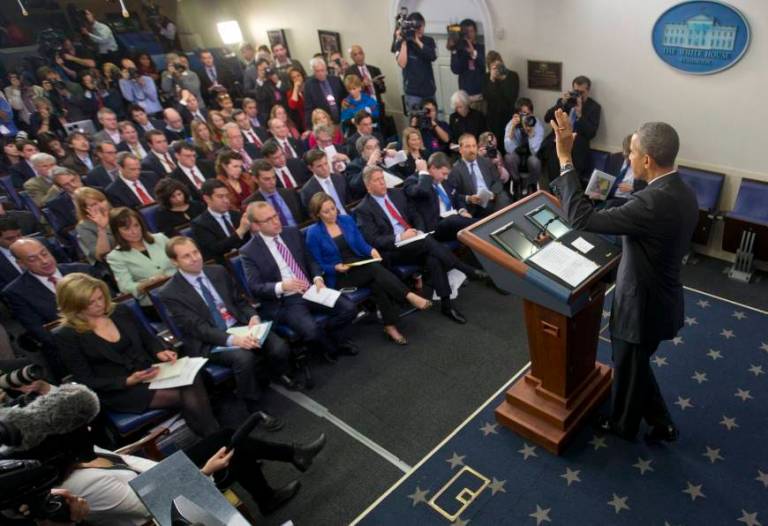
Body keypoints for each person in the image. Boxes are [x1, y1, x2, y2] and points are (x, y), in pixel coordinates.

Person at [550, 111, 698, 442]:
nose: (627, 156)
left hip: (641, 306)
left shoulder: (650, 202)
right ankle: (662, 423)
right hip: (663, 297)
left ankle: (623, 426)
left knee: (628, 363)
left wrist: (564, 158)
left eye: (631, 151)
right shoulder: (682, 190)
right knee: (636, 364)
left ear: (646, 159)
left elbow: (581, 220)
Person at [53, 272, 219, 437]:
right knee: (188, 394)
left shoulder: (120, 311)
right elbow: (85, 379)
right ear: (75, 306)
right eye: (91, 303)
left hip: (148, 371)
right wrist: (127, 381)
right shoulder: (66, 335)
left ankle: (211, 439)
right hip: (120, 389)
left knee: (193, 378)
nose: (100, 305)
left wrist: (159, 352)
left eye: (100, 297)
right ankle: (215, 437)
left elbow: (147, 338)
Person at [160, 236, 300, 409]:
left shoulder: (217, 271)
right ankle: (252, 404)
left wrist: (252, 317)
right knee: (244, 358)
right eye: (186, 256)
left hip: (240, 325)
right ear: (174, 262)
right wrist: (234, 340)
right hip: (209, 340)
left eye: (195, 252)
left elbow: (240, 302)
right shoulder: (170, 292)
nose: (195, 258)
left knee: (279, 347)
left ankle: (278, 373)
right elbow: (198, 328)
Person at [355, 166, 486, 324]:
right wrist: (400, 236)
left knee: (433, 258)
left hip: (415, 241)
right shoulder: (363, 209)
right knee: (428, 244)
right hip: (394, 250)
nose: (383, 183)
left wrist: (419, 230)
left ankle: (447, 305)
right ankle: (466, 269)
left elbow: (415, 214)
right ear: (368, 186)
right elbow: (374, 240)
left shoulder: (397, 193)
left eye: (383, 178)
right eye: (377, 180)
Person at [306, 193, 431, 345]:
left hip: (358, 264)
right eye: (326, 211)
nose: (332, 213)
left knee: (377, 282)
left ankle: (390, 326)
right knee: (374, 269)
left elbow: (360, 243)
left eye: (333, 208)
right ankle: (409, 295)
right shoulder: (313, 233)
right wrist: (334, 267)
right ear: (317, 214)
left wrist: (371, 250)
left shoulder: (345, 220)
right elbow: (317, 263)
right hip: (340, 275)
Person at [240, 201, 358, 361]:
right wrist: (282, 286)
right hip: (287, 299)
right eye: (268, 220)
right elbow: (255, 287)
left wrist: (317, 278)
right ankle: (331, 348)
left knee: (349, 308)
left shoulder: (291, 232)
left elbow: (310, 260)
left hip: (311, 288)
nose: (276, 221)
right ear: (255, 225)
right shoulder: (249, 251)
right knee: (311, 331)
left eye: (275, 216)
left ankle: (329, 336)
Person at [3, 238, 92, 378]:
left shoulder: (82, 270)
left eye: (44, 253)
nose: (44, 261)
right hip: (70, 353)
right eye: (33, 259)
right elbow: (43, 333)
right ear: (21, 264)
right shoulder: (16, 292)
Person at [106, 207, 176, 307]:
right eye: (127, 229)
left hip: (180, 288)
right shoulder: (115, 257)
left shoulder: (160, 238)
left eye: (136, 225)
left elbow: (180, 261)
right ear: (117, 232)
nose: (134, 231)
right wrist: (148, 283)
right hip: (154, 301)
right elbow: (125, 287)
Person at [404, 152, 477, 241]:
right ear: (433, 168)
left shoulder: (445, 180)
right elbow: (422, 190)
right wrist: (423, 171)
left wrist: (462, 210)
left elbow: (456, 197)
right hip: (436, 227)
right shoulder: (412, 181)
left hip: (455, 220)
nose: (446, 177)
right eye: (443, 173)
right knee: (453, 220)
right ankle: (484, 225)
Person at [542, 75, 602, 183]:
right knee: (554, 180)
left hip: (577, 151)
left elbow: (591, 133)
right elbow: (547, 118)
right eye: (575, 91)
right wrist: (562, 103)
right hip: (558, 147)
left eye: (581, 92)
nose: (578, 95)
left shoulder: (594, 107)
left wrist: (580, 115)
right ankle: (554, 198)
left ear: (588, 91)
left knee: (571, 183)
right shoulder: (565, 102)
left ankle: (566, 199)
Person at [448, 133, 511, 216]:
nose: (472, 150)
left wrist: (492, 193)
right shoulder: (455, 170)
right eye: (468, 146)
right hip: (474, 204)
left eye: (474, 146)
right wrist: (469, 199)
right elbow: (455, 195)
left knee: (504, 197)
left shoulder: (486, 162)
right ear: (460, 150)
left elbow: (497, 181)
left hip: (492, 197)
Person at [191, 179, 251, 262]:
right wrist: (240, 232)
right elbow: (216, 249)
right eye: (220, 196)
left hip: (248, 258)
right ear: (207, 199)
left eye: (227, 196)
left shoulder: (237, 215)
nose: (226, 200)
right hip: (224, 265)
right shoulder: (199, 224)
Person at [393, 12, 437, 111]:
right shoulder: (402, 42)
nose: (419, 29)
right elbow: (402, 64)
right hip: (413, 93)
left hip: (429, 90)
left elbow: (432, 56)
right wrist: (404, 42)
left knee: (432, 121)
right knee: (415, 123)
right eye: (416, 27)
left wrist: (416, 40)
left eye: (421, 26)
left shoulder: (429, 41)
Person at [504, 97, 545, 197]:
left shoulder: (536, 124)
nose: (526, 117)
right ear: (517, 114)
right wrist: (512, 129)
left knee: (534, 161)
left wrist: (531, 134)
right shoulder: (512, 123)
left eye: (528, 113)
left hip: (531, 155)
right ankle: (517, 182)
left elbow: (536, 151)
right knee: (509, 157)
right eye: (523, 114)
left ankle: (532, 184)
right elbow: (508, 149)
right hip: (517, 155)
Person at [244, 159, 306, 226]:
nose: (272, 182)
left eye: (274, 177)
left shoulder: (290, 193)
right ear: (255, 179)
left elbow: (305, 217)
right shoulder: (250, 204)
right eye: (267, 179)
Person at [599, 134, 647, 208]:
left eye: (632, 153)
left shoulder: (644, 164)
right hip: (608, 198)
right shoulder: (614, 158)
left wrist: (633, 188)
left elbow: (649, 189)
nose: (629, 157)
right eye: (626, 154)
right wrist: (598, 191)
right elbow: (604, 180)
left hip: (628, 202)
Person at [448, 19, 485, 108]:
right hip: (464, 98)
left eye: (471, 31)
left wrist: (473, 53)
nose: (469, 35)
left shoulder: (482, 48)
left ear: (475, 32)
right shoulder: (459, 50)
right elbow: (455, 70)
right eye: (466, 32)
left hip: (480, 97)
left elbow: (485, 67)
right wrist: (454, 50)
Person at [74, 187, 115, 264]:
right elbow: (101, 256)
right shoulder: (83, 227)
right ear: (85, 209)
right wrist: (101, 228)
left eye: (101, 201)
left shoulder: (117, 214)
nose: (101, 206)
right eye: (94, 204)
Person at [303, 57, 347, 128]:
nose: (320, 73)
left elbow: (345, 96)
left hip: (341, 119)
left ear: (326, 69)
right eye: (317, 71)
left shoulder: (336, 80)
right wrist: (309, 127)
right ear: (313, 71)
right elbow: (308, 108)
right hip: (324, 124)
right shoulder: (309, 85)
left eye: (322, 70)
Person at [345, 44, 387, 110]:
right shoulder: (349, 72)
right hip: (362, 106)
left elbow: (383, 90)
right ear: (352, 57)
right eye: (355, 55)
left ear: (364, 54)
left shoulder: (375, 69)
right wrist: (362, 85)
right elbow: (349, 92)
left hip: (377, 104)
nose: (359, 56)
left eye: (360, 53)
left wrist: (379, 83)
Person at [45, 166, 82, 233]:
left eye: (73, 180)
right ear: (60, 187)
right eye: (66, 184)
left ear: (78, 177)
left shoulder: (99, 191)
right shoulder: (56, 205)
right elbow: (65, 230)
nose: (73, 185)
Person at [287, 67, 307, 133]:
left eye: (298, 75)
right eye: (294, 77)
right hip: (303, 123)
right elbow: (293, 105)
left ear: (302, 76)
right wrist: (295, 88)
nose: (297, 78)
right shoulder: (291, 93)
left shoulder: (309, 86)